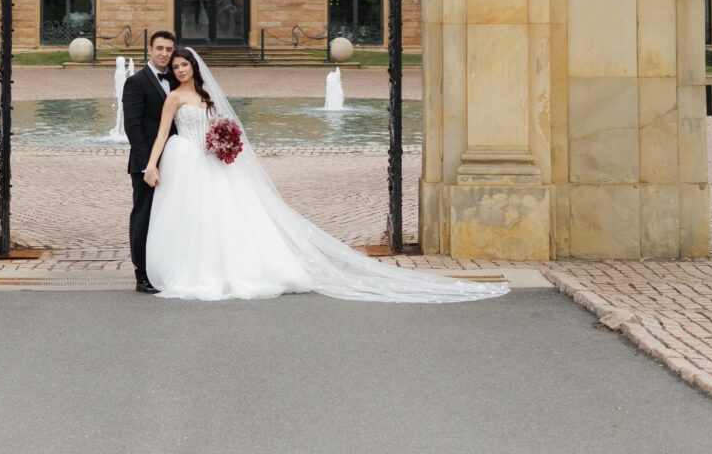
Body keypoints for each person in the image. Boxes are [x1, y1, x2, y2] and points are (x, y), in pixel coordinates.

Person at [140, 46, 500, 305]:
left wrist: (225, 141)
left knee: (225, 215)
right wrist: (152, 165)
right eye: (176, 66)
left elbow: (222, 126)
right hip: (185, 159)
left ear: (194, 67)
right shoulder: (173, 98)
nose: (181, 69)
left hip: (213, 162)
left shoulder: (207, 95)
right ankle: (196, 269)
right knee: (195, 217)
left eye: (184, 64)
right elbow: (161, 135)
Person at [121, 30, 177, 293]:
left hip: (178, 162)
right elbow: (133, 127)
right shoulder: (136, 82)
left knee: (170, 216)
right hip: (147, 164)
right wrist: (148, 165)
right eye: (160, 48)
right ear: (150, 50)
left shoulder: (178, 79)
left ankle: (166, 268)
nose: (164, 53)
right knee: (144, 216)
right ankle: (142, 274)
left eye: (168, 49)